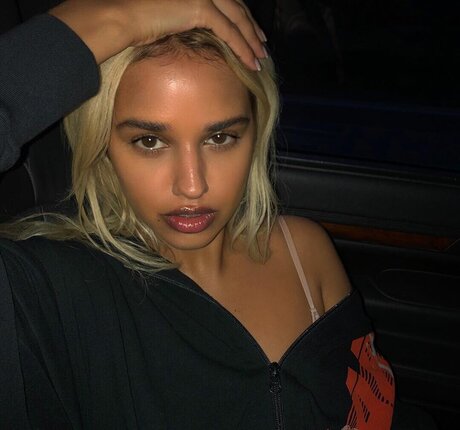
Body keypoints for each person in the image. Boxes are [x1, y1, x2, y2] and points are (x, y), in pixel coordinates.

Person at [0, 1, 436, 429]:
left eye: (220, 137)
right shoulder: (48, 288)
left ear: (256, 131)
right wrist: (116, 18)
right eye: (150, 142)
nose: (192, 185)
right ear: (103, 144)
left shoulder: (304, 251)